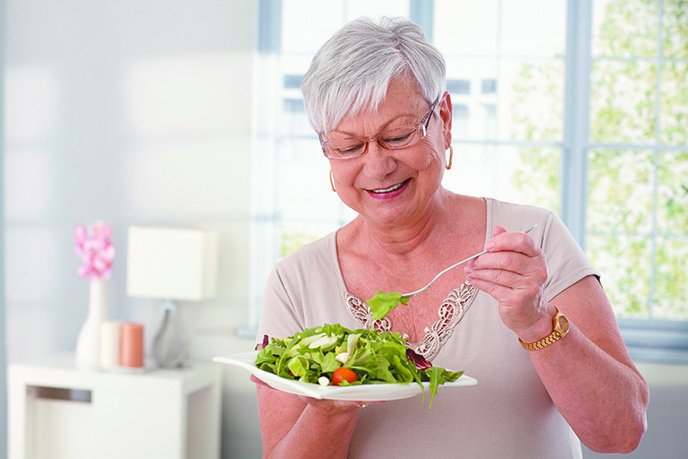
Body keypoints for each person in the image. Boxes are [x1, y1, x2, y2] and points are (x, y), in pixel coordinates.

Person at [255, 16, 648, 458]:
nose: (378, 166)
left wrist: (537, 321)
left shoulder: (532, 239)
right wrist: (331, 405)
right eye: (349, 146)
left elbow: (621, 433)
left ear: (443, 118)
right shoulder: (295, 281)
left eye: (398, 135)